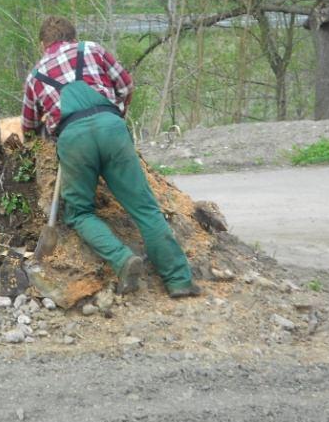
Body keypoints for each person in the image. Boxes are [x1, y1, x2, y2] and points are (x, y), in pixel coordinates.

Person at [21, 16, 200, 298]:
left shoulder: (35, 75)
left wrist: (46, 133)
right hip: (111, 127)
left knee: (79, 213)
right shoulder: (92, 49)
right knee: (145, 208)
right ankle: (179, 281)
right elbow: (127, 86)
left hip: (73, 139)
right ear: (73, 36)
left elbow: (28, 126)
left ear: (44, 44)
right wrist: (117, 115)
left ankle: (122, 258)